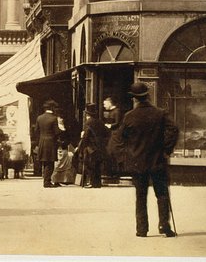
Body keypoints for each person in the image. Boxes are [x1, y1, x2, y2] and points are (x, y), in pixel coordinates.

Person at [110, 81, 180, 237]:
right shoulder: (160, 113)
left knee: (140, 196)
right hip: (157, 161)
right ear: (147, 95)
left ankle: (142, 229)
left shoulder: (129, 116)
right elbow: (173, 130)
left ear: (134, 98)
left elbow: (119, 139)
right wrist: (166, 149)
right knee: (162, 194)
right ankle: (164, 226)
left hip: (137, 162)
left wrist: (126, 155)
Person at [77, 103, 109, 188]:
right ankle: (97, 183)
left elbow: (86, 136)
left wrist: (81, 146)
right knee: (97, 165)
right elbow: (106, 133)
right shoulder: (100, 122)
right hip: (100, 146)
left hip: (90, 147)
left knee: (90, 165)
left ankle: (91, 182)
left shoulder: (88, 123)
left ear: (87, 114)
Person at [35, 100, 63, 188]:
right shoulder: (54, 118)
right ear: (52, 108)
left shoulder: (39, 118)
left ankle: (46, 180)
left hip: (42, 141)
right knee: (50, 163)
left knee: (45, 162)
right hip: (51, 142)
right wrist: (62, 129)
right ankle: (47, 182)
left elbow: (36, 131)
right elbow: (57, 132)